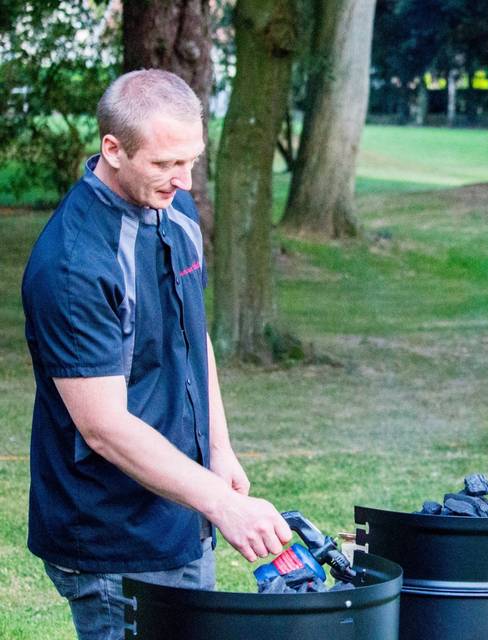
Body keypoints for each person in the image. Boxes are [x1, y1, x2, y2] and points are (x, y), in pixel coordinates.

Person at [21, 69, 292, 640]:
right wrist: (221, 503)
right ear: (112, 149)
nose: (183, 180)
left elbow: (193, 336)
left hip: (180, 507)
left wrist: (219, 452)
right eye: (165, 164)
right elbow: (104, 428)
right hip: (113, 534)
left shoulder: (177, 212)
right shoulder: (74, 265)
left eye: (191, 160)